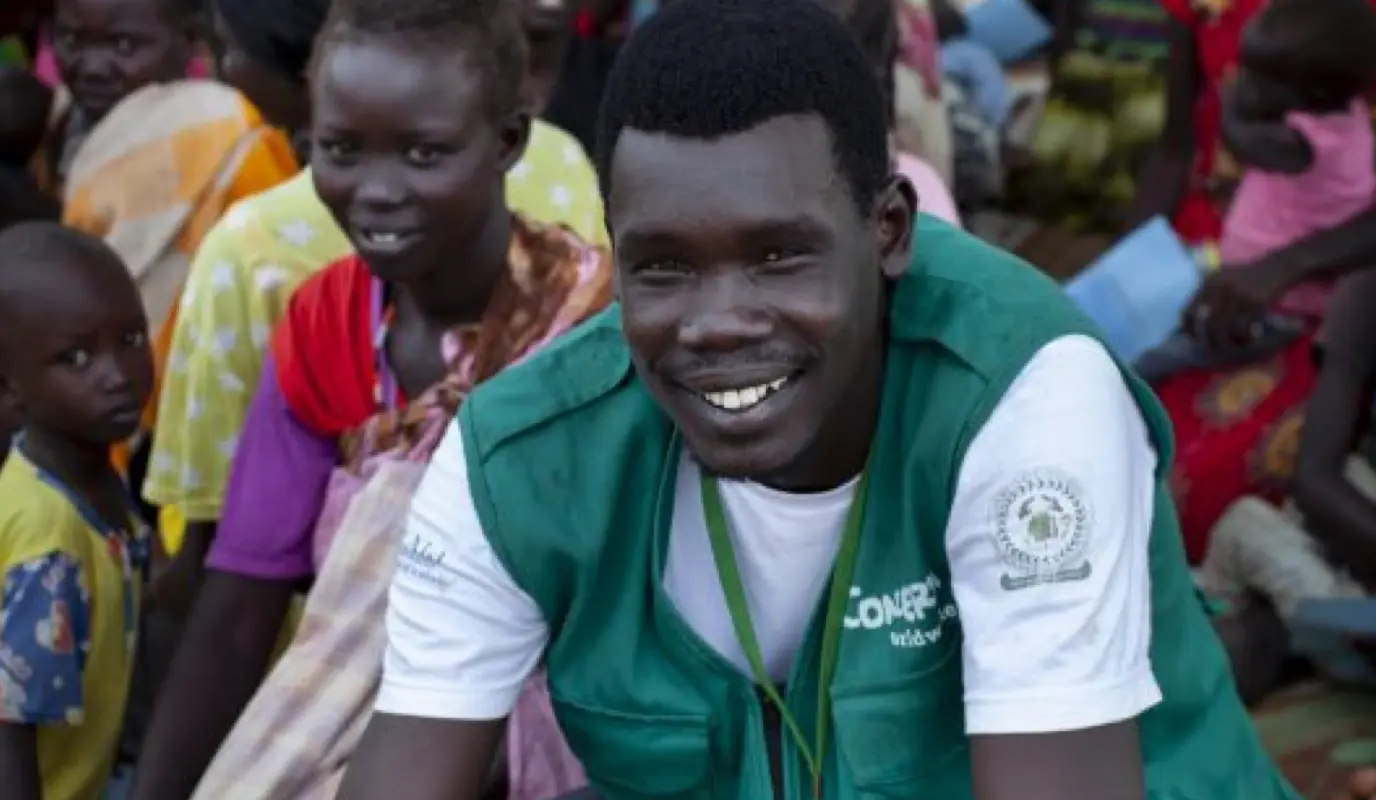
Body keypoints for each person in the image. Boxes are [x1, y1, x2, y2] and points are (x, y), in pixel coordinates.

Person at [339, 0, 1296, 798]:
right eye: (664, 267)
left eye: (777, 257)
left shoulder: (1023, 394)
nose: (716, 323)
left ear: (887, 231)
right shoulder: (520, 459)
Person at [133, 0, 611, 796]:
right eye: (342, 150)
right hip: (366, 737)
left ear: (507, 143)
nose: (377, 191)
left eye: (425, 153)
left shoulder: (589, 335)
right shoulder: (327, 327)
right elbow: (238, 609)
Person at [1143, 0, 1376, 562]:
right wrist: (1130, 259)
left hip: (1328, 289)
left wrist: (1284, 267)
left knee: (1203, 477)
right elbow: (1174, 152)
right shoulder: (1203, 9)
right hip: (1201, 260)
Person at [0, 222, 154, 800]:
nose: (117, 376)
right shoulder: (49, 538)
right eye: (76, 358)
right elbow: (10, 733)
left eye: (133, 339)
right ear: (10, 386)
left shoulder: (94, 481)